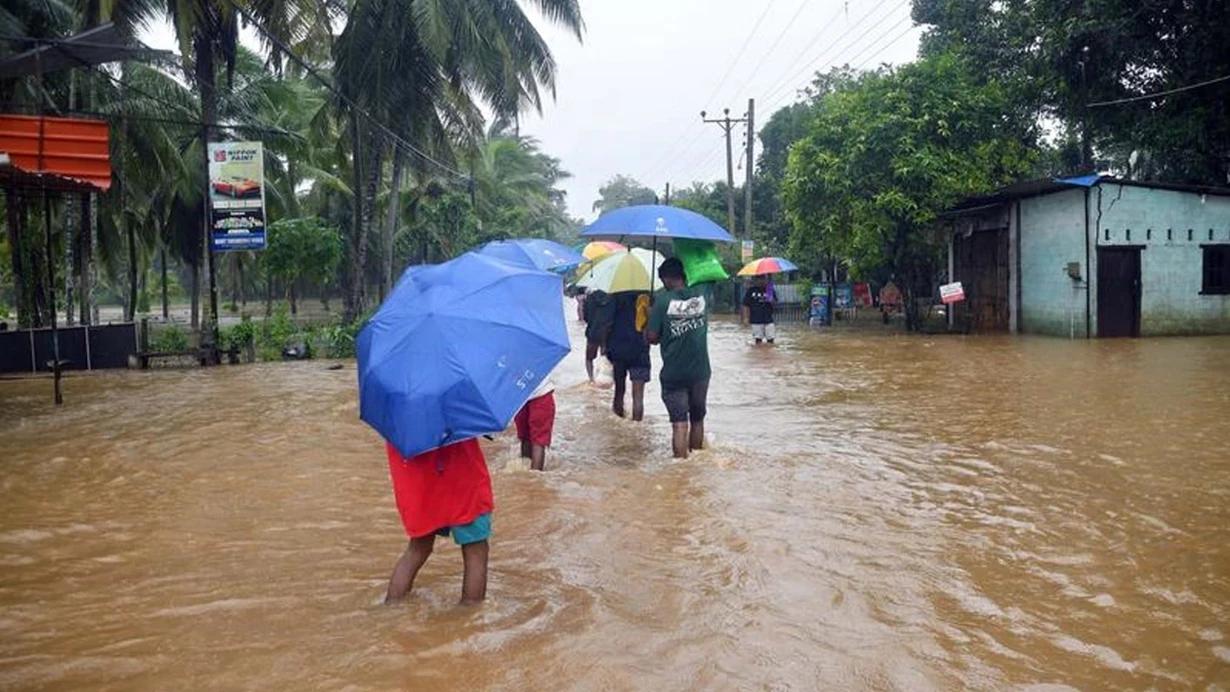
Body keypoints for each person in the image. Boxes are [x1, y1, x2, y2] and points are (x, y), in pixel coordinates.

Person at [384, 438, 493, 605]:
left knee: (418, 549)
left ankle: (392, 607)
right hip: (462, 479)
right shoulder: (456, 419)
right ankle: (470, 615)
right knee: (476, 550)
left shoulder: (397, 424)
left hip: (420, 485)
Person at [646, 258, 710, 459]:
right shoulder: (701, 295)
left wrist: (650, 315)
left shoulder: (662, 302)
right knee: (697, 419)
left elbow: (652, 338)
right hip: (700, 372)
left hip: (674, 373)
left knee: (679, 424)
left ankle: (681, 468)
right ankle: (697, 463)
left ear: (666, 278)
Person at [606, 292, 651, 421]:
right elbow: (652, 326)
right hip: (640, 350)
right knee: (638, 397)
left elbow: (608, 323)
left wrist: (605, 347)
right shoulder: (647, 296)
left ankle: (618, 423)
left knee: (619, 391)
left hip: (618, 349)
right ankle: (637, 427)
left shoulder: (615, 297)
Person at [515, 372, 556, 471]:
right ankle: (535, 477)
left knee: (525, 438)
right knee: (538, 442)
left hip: (520, 395)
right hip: (541, 395)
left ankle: (526, 474)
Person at [581, 288, 614, 382]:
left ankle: (591, 378)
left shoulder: (589, 298)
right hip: (608, 334)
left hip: (593, 333)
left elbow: (586, 317)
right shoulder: (613, 299)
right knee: (607, 358)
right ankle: (606, 379)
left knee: (589, 358)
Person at [742, 276, 776, 344]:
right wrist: (746, 318)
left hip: (768, 319)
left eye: (764, 279)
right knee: (758, 341)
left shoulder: (770, 289)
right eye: (760, 279)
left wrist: (771, 298)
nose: (762, 281)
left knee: (770, 340)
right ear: (757, 280)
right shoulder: (751, 290)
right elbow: (745, 305)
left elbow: (774, 304)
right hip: (756, 320)